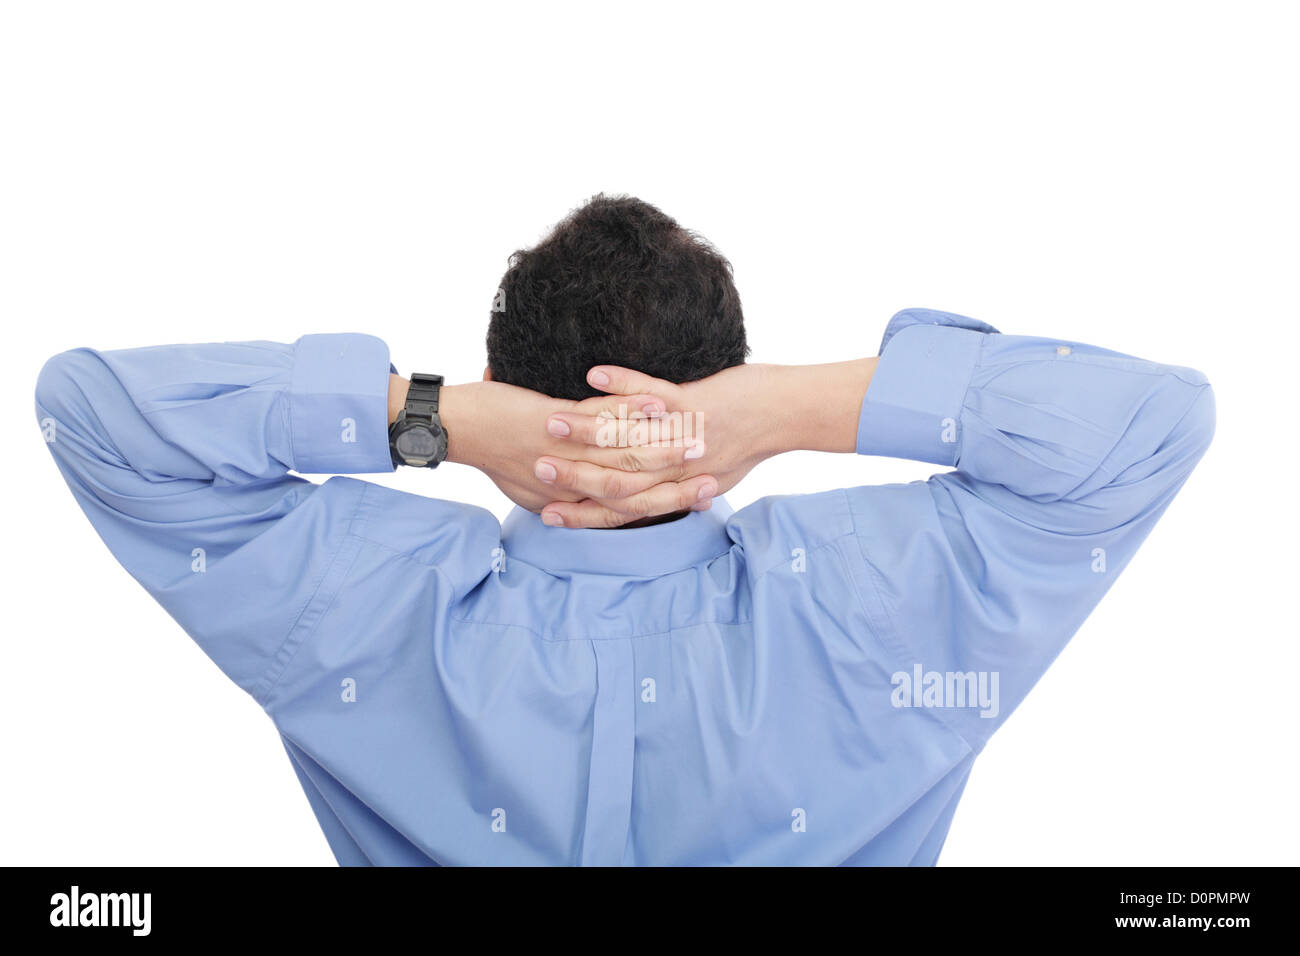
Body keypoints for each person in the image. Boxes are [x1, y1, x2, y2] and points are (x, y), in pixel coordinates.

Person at [35, 195, 1215, 865]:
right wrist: (792, 408)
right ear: (725, 385)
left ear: (500, 376)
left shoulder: (366, 601)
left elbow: (93, 414)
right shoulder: (872, 599)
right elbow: (1151, 424)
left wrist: (438, 417)